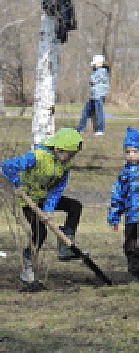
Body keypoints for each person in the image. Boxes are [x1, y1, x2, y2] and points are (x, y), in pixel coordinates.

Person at [0, 128, 83, 283]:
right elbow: (7, 166)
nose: (70, 158)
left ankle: (65, 247)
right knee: (40, 232)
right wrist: (16, 183)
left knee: (75, 206)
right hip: (28, 199)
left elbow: (57, 188)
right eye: (69, 154)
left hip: (44, 198)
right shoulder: (37, 156)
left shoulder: (65, 164)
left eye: (73, 155)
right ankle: (27, 262)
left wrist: (48, 209)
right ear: (57, 149)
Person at [107, 127, 139, 281]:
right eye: (128, 152)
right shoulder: (124, 174)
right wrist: (114, 217)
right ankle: (134, 273)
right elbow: (117, 196)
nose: (131, 155)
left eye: (135, 151)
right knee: (130, 245)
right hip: (131, 217)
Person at [77, 54, 109, 137]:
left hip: (98, 95)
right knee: (86, 111)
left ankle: (100, 129)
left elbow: (93, 80)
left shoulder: (102, 71)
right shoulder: (96, 71)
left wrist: (92, 80)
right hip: (93, 95)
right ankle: (80, 128)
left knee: (99, 112)